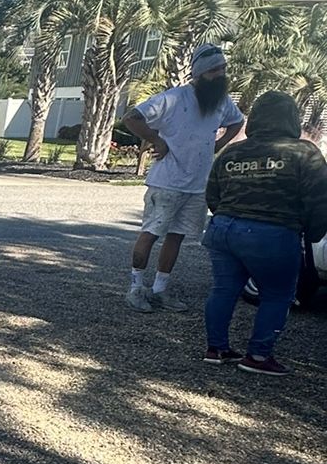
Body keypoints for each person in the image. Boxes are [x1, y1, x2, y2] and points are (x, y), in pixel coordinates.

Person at [202, 90, 327, 374]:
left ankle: (216, 348)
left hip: (223, 229)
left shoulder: (232, 152)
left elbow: (213, 194)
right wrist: (314, 232)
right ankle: (258, 357)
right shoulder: (304, 152)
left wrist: (229, 215)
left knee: (223, 289)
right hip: (272, 232)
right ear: (291, 118)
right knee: (277, 294)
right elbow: (319, 199)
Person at [123, 45, 244, 313]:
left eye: (223, 68)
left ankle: (159, 290)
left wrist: (219, 144)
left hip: (197, 185)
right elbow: (131, 118)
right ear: (198, 74)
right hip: (166, 182)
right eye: (214, 70)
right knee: (151, 233)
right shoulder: (173, 98)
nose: (221, 74)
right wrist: (157, 140)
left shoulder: (221, 101)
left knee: (176, 236)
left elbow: (237, 121)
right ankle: (135, 288)